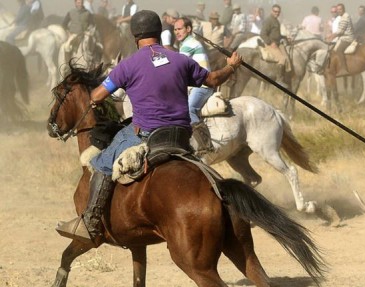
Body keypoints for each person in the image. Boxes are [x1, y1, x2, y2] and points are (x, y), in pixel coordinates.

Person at [56, 10, 242, 247]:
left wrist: (103, 87)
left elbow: (97, 96)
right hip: (181, 135)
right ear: (159, 33)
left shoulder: (128, 65)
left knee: (101, 162)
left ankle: (91, 222)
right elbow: (214, 80)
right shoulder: (181, 59)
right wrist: (232, 66)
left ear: (135, 37)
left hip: (146, 134)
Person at [174, 16, 216, 154]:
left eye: (180, 29)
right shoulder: (187, 43)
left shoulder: (188, 44)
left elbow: (178, 68)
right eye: (175, 29)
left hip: (202, 86)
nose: (177, 32)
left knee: (189, 109)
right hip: (196, 85)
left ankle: (205, 144)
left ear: (188, 29)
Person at [328, 3, 354, 76]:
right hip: (343, 37)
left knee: (339, 50)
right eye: (338, 9)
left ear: (344, 9)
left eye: (340, 9)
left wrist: (331, 37)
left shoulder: (345, 17)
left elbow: (340, 31)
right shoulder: (342, 17)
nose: (339, 11)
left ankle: (343, 69)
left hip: (347, 38)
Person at [260, 4, 288, 70]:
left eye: (278, 12)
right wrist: (271, 43)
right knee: (282, 59)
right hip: (270, 44)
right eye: (275, 11)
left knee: (287, 57)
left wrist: (285, 38)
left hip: (277, 44)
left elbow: (276, 34)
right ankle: (279, 78)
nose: (277, 13)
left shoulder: (276, 21)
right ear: (271, 11)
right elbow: (262, 34)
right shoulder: (268, 20)